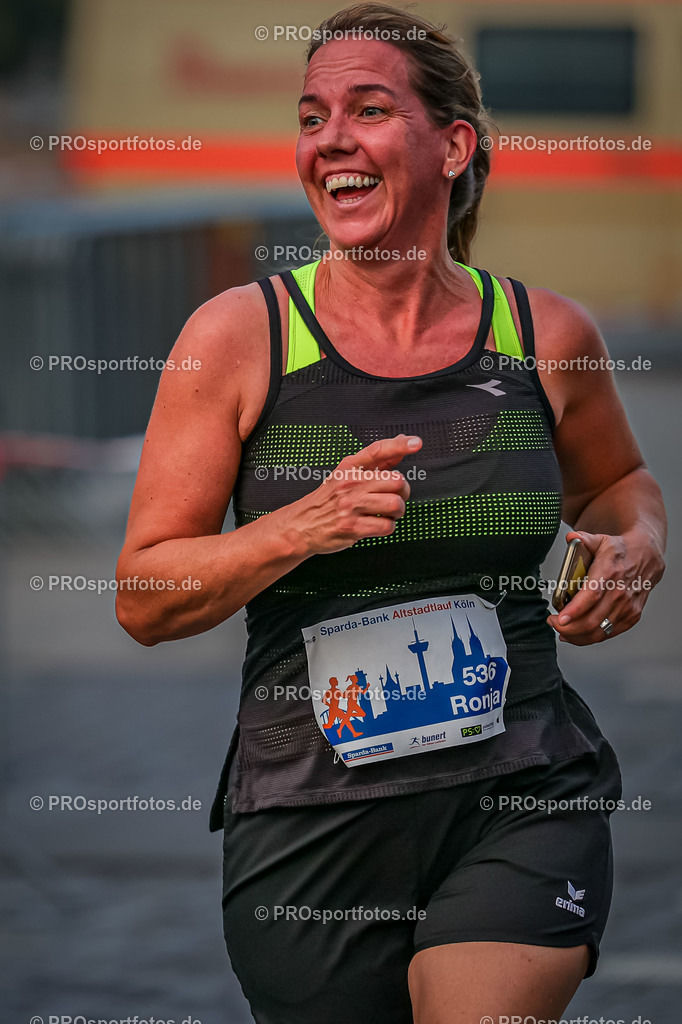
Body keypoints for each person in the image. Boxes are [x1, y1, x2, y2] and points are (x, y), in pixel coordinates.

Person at [115, 5, 667, 1022]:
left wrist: (634, 546)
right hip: (309, 813)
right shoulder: (240, 336)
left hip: (521, 782)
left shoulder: (544, 334)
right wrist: (300, 525)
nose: (330, 139)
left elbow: (619, 481)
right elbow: (145, 596)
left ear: (451, 144)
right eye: (311, 116)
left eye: (367, 109)